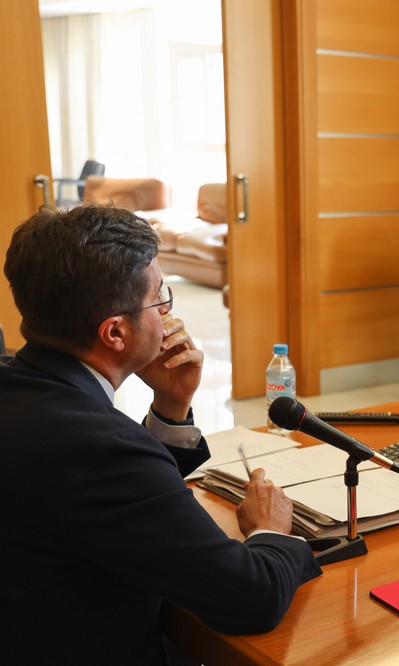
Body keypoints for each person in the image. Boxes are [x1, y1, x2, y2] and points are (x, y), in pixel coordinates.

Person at [0, 205, 322, 664]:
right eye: (159, 297)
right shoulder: (99, 448)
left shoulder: (19, 386)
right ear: (115, 332)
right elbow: (250, 598)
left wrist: (172, 407)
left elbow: (116, 507)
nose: (168, 310)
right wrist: (271, 531)